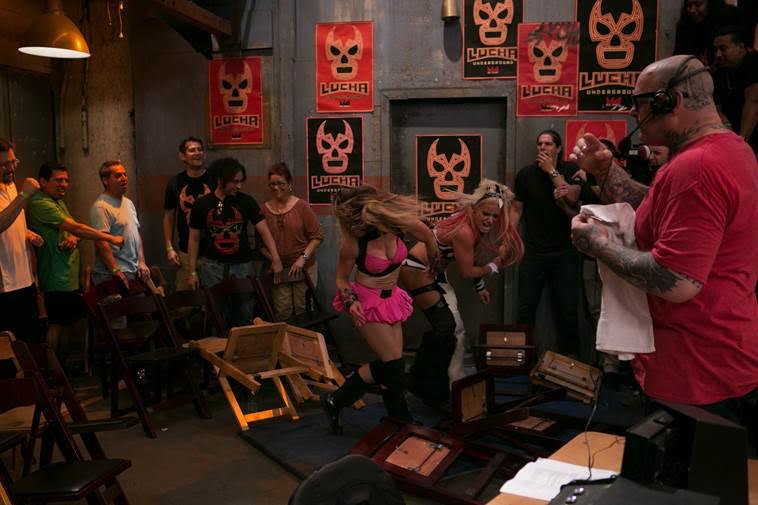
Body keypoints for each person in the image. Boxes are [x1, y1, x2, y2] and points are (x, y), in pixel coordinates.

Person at [569, 55, 757, 446]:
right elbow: (662, 210)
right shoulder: (728, 150)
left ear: (669, 102)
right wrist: (606, 172)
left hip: (698, 372)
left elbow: (676, 280)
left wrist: (598, 245)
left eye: (638, 103)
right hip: (713, 358)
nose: (634, 113)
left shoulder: (697, 167)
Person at [321, 185, 438, 434]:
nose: (357, 226)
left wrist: (434, 262)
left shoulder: (398, 224)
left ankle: (335, 400)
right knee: (393, 362)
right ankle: (401, 419)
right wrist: (350, 302)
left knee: (391, 363)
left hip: (392, 298)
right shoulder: (354, 243)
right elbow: (341, 278)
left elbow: (428, 236)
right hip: (368, 301)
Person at [399, 179, 523, 405]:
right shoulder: (464, 231)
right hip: (417, 269)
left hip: (435, 272)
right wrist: (494, 266)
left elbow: (469, 260)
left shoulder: (471, 225)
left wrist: (480, 286)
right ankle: (433, 381)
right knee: (448, 326)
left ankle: (445, 382)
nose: (490, 220)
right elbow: (466, 271)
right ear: (473, 210)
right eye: (486, 214)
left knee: (454, 328)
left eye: (495, 216)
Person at [26, 162, 124, 353]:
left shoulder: (58, 201)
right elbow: (77, 227)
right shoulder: (40, 203)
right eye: (58, 180)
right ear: (43, 182)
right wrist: (110, 238)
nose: (64, 184)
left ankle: (64, 365)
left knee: (69, 322)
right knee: (57, 323)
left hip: (68, 276)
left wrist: (73, 238)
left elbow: (73, 231)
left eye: (66, 180)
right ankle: (54, 366)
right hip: (55, 278)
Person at [512, 130, 583, 357]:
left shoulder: (570, 170)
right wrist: (509, 238)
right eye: (540, 144)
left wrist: (551, 171)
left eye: (549, 144)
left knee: (567, 312)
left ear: (559, 148)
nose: (543, 148)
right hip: (534, 253)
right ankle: (523, 362)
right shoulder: (525, 175)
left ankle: (570, 363)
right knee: (526, 309)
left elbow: (571, 197)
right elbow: (516, 209)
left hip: (565, 253)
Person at [187, 157, 282, 327]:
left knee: (244, 314)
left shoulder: (246, 201)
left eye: (241, 181)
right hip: (213, 267)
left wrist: (276, 259)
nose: (239, 186)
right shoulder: (202, 205)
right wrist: (192, 271)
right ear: (220, 180)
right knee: (216, 316)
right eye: (235, 182)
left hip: (242, 266)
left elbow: (264, 230)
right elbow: (194, 239)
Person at [260, 162, 323, 321]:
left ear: (289, 184)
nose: (276, 187)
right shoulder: (264, 210)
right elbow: (260, 245)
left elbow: (317, 236)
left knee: (304, 309)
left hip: (304, 267)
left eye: (281, 183)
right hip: (278, 270)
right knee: (282, 311)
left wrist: (303, 258)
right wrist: (274, 260)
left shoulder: (302, 207)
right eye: (272, 184)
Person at [0, 138, 43, 345]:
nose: (11, 168)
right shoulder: (19, 191)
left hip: (25, 281)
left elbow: (11, 218)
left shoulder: (9, 186)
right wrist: (24, 195)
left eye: (13, 162)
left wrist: (26, 233)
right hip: (5, 287)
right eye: (4, 165)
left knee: (31, 344)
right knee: (11, 350)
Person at [90, 161, 150, 292]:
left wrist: (141, 262)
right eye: (118, 176)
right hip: (111, 275)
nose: (124, 178)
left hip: (131, 271)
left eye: (125, 174)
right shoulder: (101, 207)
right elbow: (101, 242)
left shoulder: (128, 203)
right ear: (105, 180)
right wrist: (115, 270)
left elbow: (136, 234)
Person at [163, 137, 214, 291]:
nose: (197, 153)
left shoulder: (214, 179)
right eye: (192, 150)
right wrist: (169, 247)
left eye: (200, 150)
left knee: (214, 296)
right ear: (182, 156)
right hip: (185, 251)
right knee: (187, 297)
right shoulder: (175, 182)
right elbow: (169, 216)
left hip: (212, 252)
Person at [713, 25, 758, 153]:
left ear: (741, 47)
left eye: (723, 48)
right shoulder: (721, 72)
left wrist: (740, 143)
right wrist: (727, 128)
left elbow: (753, 102)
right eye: (716, 49)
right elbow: (717, 107)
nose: (718, 54)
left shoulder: (754, 63)